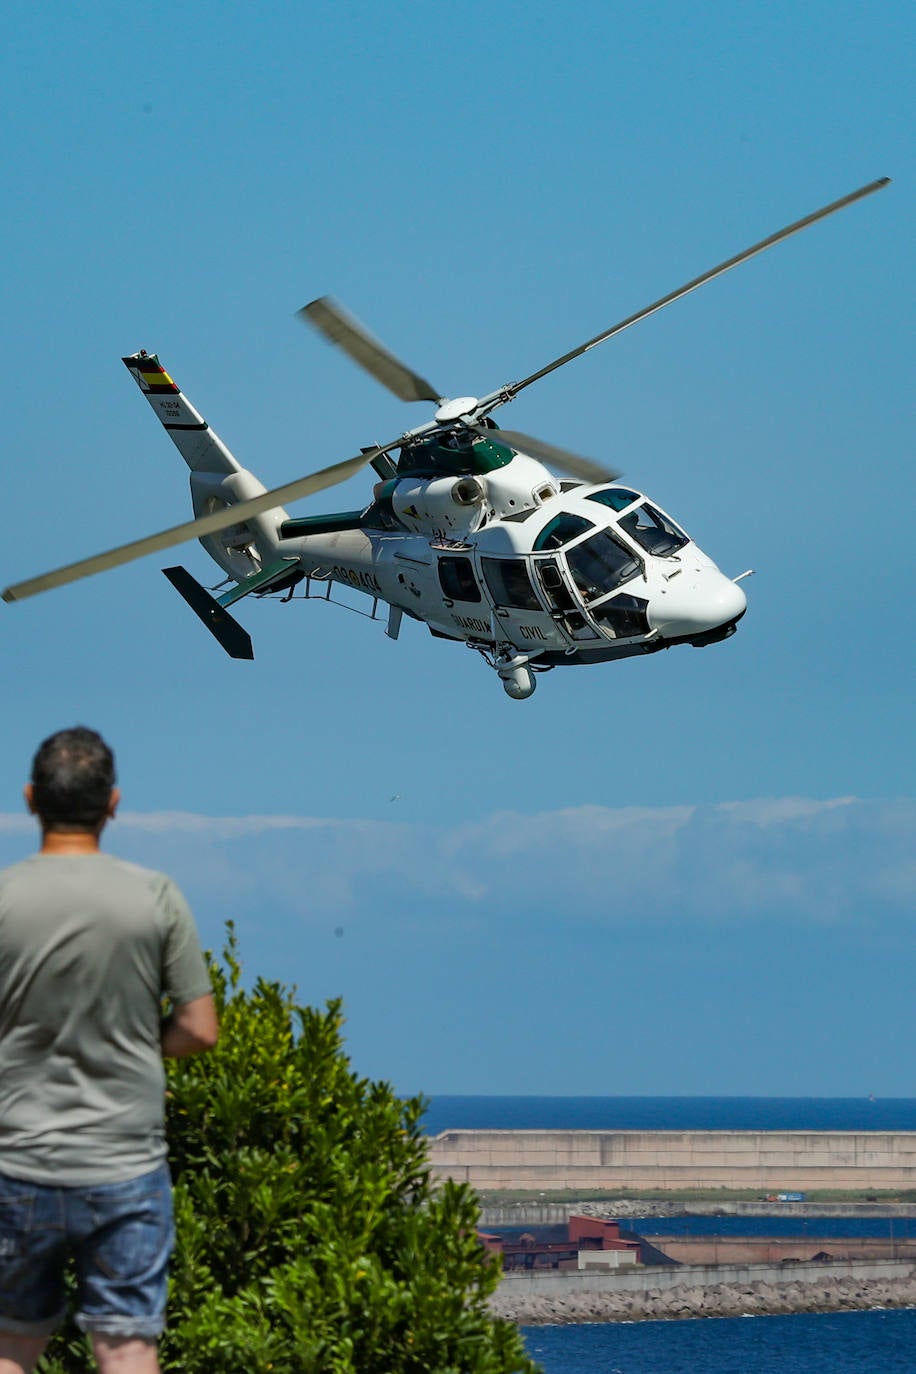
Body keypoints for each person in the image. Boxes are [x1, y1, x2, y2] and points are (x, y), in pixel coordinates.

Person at [0, 727, 218, 1374]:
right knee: (125, 1349)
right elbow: (200, 1029)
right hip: (124, 1162)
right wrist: (131, 1042)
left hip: (18, 1158)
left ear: (31, 798)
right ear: (114, 804)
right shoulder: (155, 897)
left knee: (10, 1347)